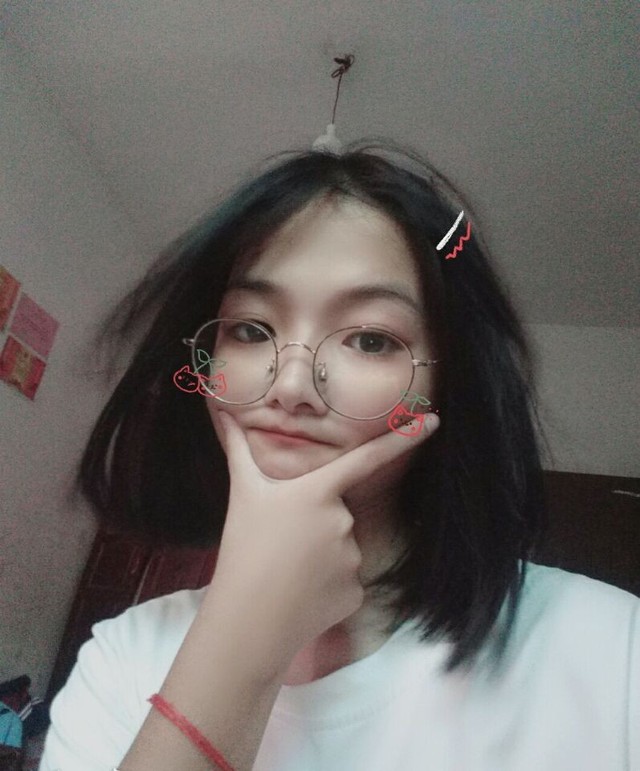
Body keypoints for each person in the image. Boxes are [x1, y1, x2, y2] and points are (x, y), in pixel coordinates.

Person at [39, 141, 639, 771]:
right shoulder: (123, 656)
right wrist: (239, 651)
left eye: (371, 340)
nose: (290, 385)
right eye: (250, 329)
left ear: (450, 383)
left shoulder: (609, 649)